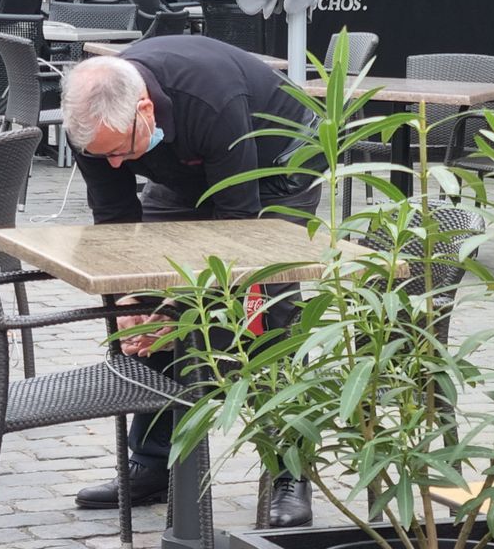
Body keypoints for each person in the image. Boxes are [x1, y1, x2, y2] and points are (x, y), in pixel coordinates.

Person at [62, 36, 321, 529]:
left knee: (271, 307)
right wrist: (134, 300)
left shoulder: (211, 99)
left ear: (143, 109)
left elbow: (237, 231)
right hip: (184, 163)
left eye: (120, 153)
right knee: (153, 292)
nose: (116, 165)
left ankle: (291, 470)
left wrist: (178, 316)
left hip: (275, 162)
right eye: (105, 157)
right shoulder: (96, 128)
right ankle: (152, 461)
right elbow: (115, 219)